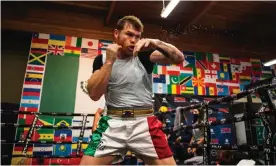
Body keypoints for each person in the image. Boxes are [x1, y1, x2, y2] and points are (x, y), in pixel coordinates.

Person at [80, 15, 184, 165]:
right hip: (112, 124)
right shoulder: (101, 60)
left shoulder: (144, 56)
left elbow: (178, 58)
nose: (134, 40)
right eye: (129, 34)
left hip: (144, 123)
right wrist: (109, 61)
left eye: (137, 36)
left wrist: (157, 43)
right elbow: (94, 94)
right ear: (116, 34)